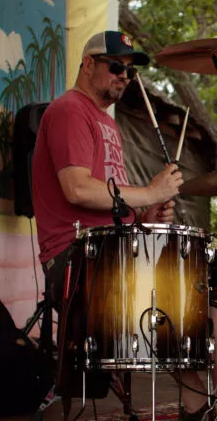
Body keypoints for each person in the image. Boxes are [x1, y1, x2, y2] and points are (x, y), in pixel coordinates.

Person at [32, 30, 183, 306]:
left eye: (129, 70)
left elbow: (112, 201)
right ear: (88, 64)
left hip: (111, 248)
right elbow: (77, 189)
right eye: (116, 66)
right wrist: (150, 192)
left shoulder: (108, 123)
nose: (124, 75)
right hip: (78, 254)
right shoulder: (70, 110)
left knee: (195, 283)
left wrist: (145, 216)